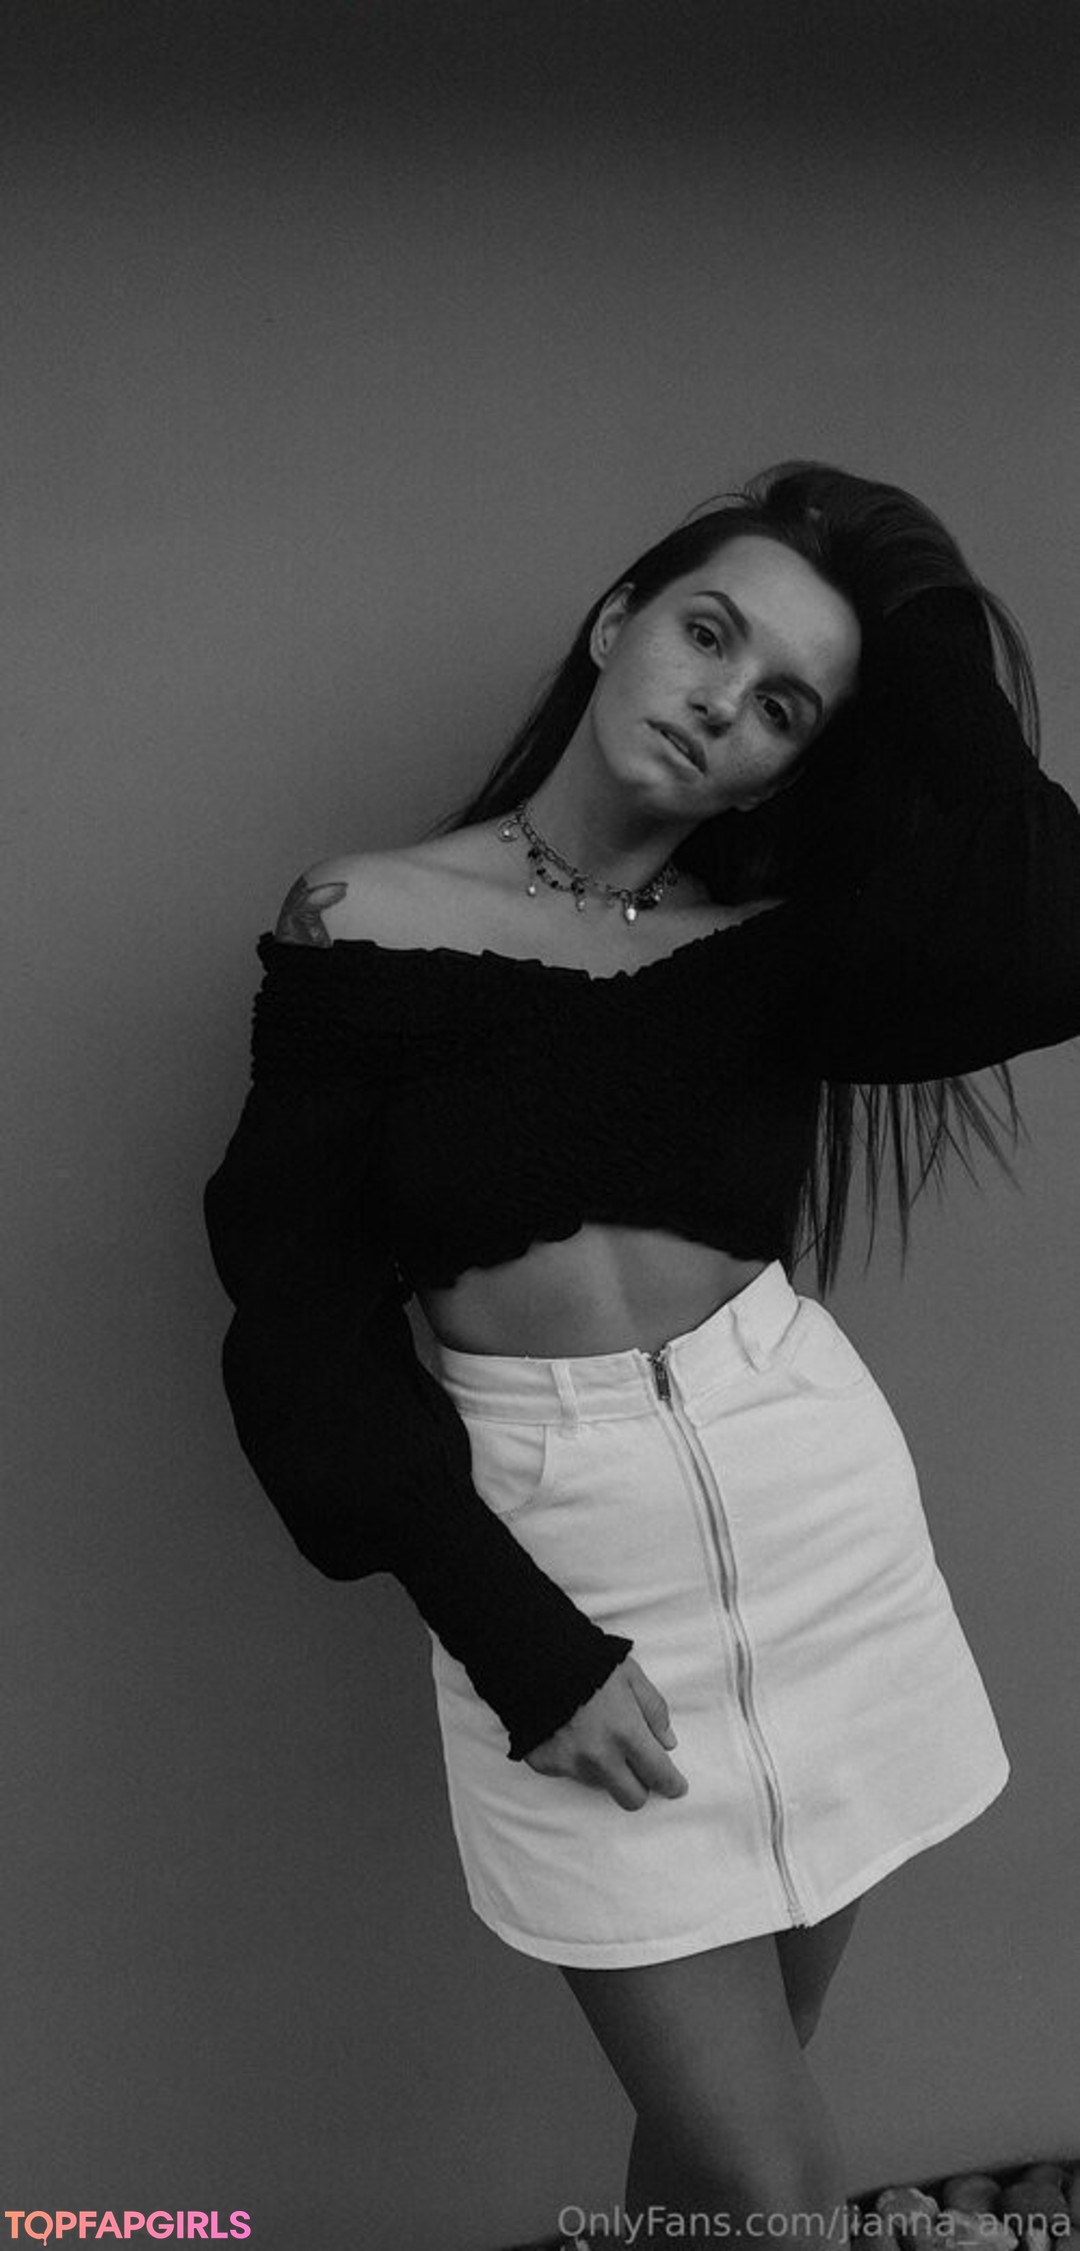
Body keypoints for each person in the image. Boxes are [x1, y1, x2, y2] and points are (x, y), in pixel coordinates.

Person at [202, 461, 1080, 2245]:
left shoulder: (775, 954)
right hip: (566, 1565)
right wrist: (521, 1642)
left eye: (786, 706)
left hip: (823, 1535)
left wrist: (916, 624)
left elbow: (1053, 930)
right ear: (618, 623)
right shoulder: (364, 921)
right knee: (775, 2182)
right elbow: (299, 1330)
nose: (722, 701)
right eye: (708, 633)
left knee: (726, 2154)